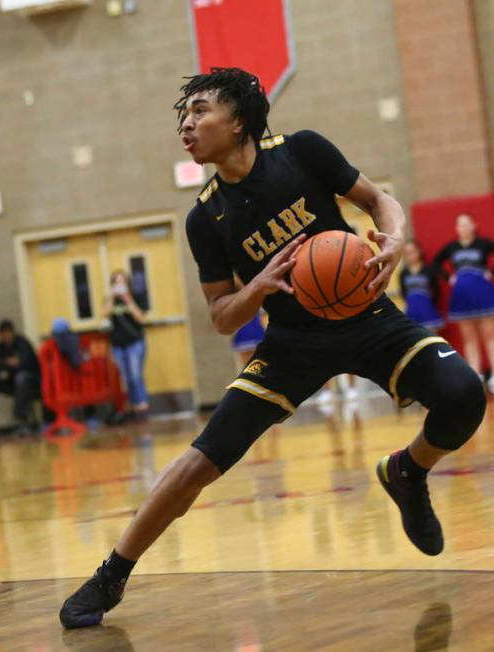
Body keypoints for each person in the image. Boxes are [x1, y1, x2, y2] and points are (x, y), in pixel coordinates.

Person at [59, 68, 485, 629]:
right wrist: (256, 286)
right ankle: (111, 573)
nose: (186, 124)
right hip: (290, 342)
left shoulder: (303, 151)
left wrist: (396, 238)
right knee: (198, 463)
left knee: (464, 394)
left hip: (366, 315)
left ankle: (407, 471)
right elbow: (219, 317)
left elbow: (378, 200)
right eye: (183, 117)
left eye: (200, 112)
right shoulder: (204, 216)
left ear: (238, 122)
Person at [432, 213, 494, 386]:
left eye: (467, 224)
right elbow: (436, 263)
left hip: (483, 293)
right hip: (461, 296)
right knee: (469, 339)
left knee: (490, 337)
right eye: (460, 224)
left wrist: (491, 273)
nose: (463, 227)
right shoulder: (452, 247)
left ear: (474, 225)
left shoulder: (483, 244)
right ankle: (476, 375)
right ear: (456, 229)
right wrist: (449, 277)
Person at [0, 319, 41, 436]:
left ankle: (21, 420)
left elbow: (28, 364)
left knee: (21, 378)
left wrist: (12, 364)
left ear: (12, 332)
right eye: (2, 334)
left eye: (6, 333)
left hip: (30, 381)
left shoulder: (23, 343)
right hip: (10, 381)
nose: (4, 336)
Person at [103, 270, 149, 419]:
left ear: (127, 284)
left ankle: (142, 405)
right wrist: (111, 297)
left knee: (136, 375)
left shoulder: (135, 297)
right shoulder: (110, 299)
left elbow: (141, 318)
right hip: (118, 344)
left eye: (122, 282)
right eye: (116, 283)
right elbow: (104, 315)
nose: (119, 285)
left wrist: (128, 300)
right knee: (126, 377)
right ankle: (133, 405)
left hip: (135, 342)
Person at [400, 241, 444, 332]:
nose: (410, 255)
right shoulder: (403, 273)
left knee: (432, 340)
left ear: (419, 251)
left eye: (412, 252)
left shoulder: (428, 270)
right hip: (412, 311)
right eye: (407, 253)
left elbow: (436, 290)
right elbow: (403, 292)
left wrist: (429, 304)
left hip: (427, 311)